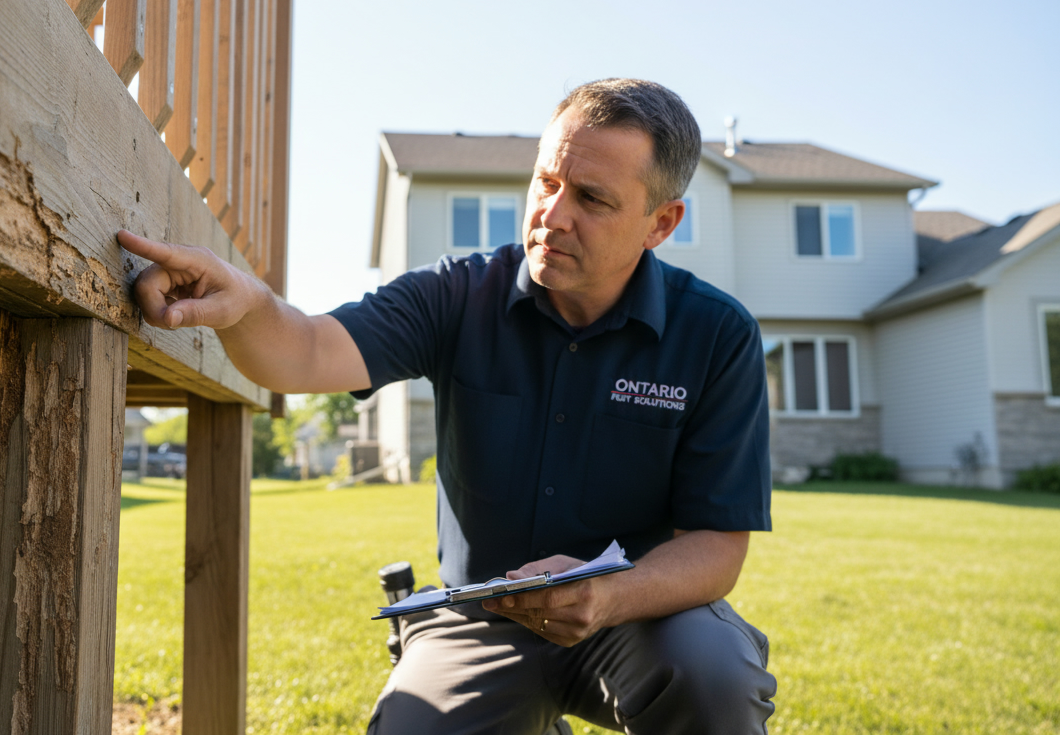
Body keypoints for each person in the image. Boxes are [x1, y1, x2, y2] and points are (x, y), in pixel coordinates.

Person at [117, 78, 777, 734]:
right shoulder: (458, 295)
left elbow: (717, 546)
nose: (553, 214)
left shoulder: (716, 335)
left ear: (661, 223)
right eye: (547, 183)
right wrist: (247, 304)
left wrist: (612, 595)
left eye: (592, 199)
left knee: (716, 674)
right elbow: (309, 350)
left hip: (640, 619)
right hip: (482, 620)